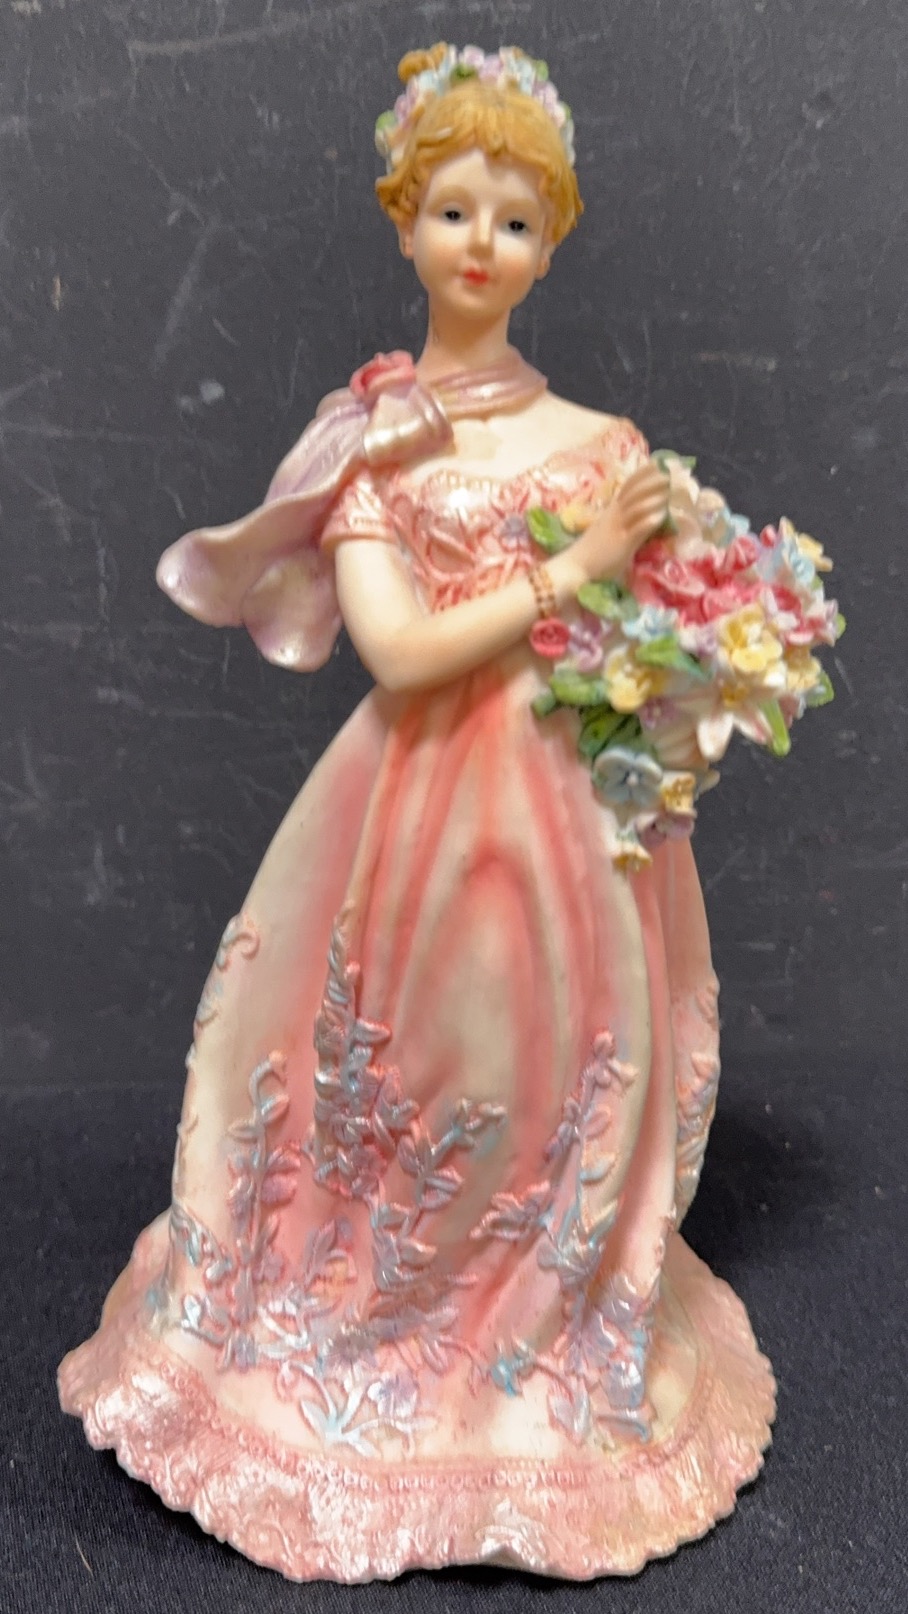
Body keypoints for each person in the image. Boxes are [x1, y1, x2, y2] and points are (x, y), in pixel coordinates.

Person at [59, 43, 776, 1580]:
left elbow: (652, 637)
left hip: (571, 820)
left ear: (551, 242)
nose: (481, 244)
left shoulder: (600, 446)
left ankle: (533, 1332)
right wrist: (575, 569)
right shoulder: (375, 440)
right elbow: (396, 650)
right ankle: (394, 1326)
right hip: (422, 815)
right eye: (453, 210)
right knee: (419, 1056)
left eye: (515, 220)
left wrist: (697, 619)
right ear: (403, 221)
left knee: (554, 1059)